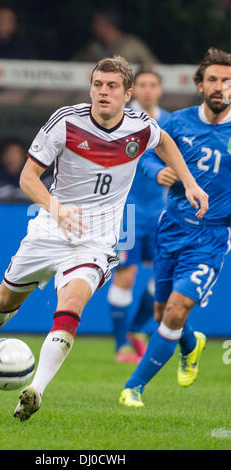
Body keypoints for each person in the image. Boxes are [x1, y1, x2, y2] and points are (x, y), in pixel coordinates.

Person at [0, 55, 208, 422]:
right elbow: (27, 178)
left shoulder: (140, 126)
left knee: (71, 307)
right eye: (98, 84)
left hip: (95, 240)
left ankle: (36, 389)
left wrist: (190, 182)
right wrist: (57, 209)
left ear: (127, 94)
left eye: (112, 86)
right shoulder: (65, 122)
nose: (103, 92)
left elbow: (163, 143)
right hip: (50, 228)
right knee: (6, 299)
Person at [119, 47, 231, 409]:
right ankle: (190, 344)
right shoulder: (177, 122)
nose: (219, 86)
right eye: (212, 79)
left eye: (227, 80)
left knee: (175, 310)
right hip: (172, 228)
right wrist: (157, 171)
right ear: (200, 85)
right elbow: (148, 153)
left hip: (212, 236)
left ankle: (133, 387)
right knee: (161, 313)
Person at [107, 70, 173, 363]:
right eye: (142, 85)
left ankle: (135, 330)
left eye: (153, 85)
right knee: (126, 274)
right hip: (127, 210)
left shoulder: (171, 121)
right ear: (133, 91)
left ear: (160, 90)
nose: (147, 90)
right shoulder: (122, 120)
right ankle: (122, 345)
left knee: (164, 276)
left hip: (161, 211)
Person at [72, 9, 158, 64]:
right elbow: (72, 67)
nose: (93, 27)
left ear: (107, 24)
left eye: (96, 23)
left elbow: (154, 68)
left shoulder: (133, 46)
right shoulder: (93, 47)